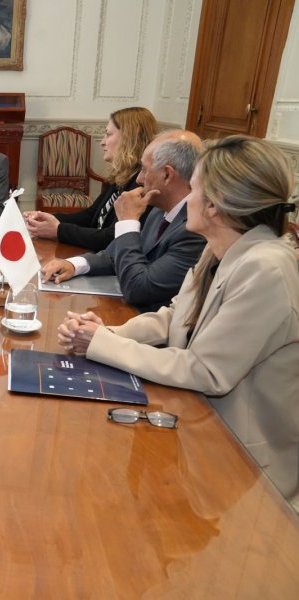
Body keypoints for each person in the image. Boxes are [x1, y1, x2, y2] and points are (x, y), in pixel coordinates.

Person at [57, 135, 299, 510]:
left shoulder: (265, 268)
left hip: (243, 469)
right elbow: (176, 316)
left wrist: (102, 345)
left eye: (196, 189)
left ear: (217, 206)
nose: (189, 199)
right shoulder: (227, 246)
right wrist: (107, 333)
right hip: (201, 430)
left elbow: (204, 370)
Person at [41, 130, 207, 313]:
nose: (139, 179)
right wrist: (75, 264)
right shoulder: (160, 209)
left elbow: (139, 289)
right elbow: (114, 255)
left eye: (144, 170)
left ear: (167, 175)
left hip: (151, 327)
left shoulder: (195, 229)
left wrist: (128, 221)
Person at [24, 107, 158, 251]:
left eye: (108, 134)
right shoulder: (122, 176)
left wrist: (58, 230)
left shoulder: (140, 184)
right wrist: (46, 218)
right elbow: (90, 216)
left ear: (128, 139)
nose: (102, 142)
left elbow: (111, 238)